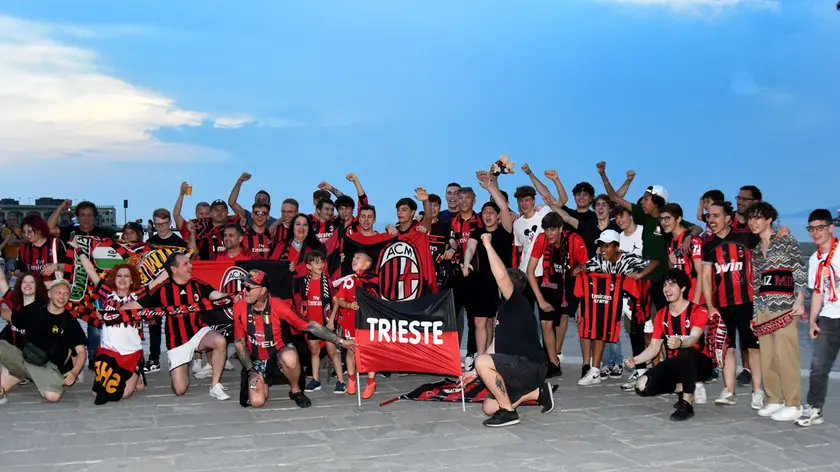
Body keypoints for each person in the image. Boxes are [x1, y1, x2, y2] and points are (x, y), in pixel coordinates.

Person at [461, 232, 555, 427]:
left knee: (482, 361)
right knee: (488, 407)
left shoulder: (517, 302)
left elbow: (502, 275)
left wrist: (487, 244)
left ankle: (509, 413)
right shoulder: (505, 310)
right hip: (517, 369)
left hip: (529, 366)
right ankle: (538, 393)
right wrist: (475, 372)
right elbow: (495, 345)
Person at [233, 269, 355, 409]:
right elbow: (239, 343)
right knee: (257, 402)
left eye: (248, 288)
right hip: (257, 359)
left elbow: (310, 326)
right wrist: (251, 371)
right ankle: (262, 379)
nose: (244, 291)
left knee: (290, 357)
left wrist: (340, 341)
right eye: (243, 286)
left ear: (262, 291)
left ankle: (295, 390)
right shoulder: (239, 307)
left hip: (279, 353)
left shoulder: (279, 306)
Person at [120, 253, 231, 400]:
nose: (191, 266)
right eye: (186, 264)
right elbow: (135, 306)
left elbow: (217, 296)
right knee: (180, 389)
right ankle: (187, 365)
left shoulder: (198, 284)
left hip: (198, 332)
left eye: (190, 263)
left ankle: (215, 385)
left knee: (219, 340)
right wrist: (114, 311)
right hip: (177, 341)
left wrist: (234, 297)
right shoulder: (161, 289)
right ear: (174, 269)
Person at [626, 269, 715, 421]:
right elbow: (654, 348)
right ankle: (682, 387)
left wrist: (680, 342)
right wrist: (636, 360)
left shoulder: (698, 310)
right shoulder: (661, 314)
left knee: (685, 352)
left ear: (683, 288)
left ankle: (687, 403)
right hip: (677, 364)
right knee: (642, 386)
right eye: (665, 285)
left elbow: (693, 339)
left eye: (672, 285)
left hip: (701, 365)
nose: (667, 289)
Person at [747, 202, 807, 421]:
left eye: (757, 218)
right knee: (768, 357)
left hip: (785, 306)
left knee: (786, 355)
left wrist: (800, 298)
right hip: (763, 306)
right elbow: (756, 283)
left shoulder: (785, 240)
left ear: (769, 219)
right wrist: (755, 313)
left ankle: (794, 403)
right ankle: (774, 399)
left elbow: (799, 268)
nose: (753, 222)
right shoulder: (756, 251)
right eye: (750, 218)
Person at [701, 201, 763, 407]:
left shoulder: (746, 238)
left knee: (753, 347)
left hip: (747, 303)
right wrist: (710, 307)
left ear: (728, 218)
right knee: (727, 348)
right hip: (722, 305)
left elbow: (768, 241)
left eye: (716, 215)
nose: (712, 220)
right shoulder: (708, 245)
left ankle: (758, 391)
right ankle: (729, 391)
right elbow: (706, 279)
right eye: (709, 216)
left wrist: (783, 231)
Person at [573, 229, 649, 386]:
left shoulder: (629, 258)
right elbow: (584, 267)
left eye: (606, 246)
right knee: (599, 329)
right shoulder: (600, 260)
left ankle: (643, 370)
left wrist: (640, 275)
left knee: (640, 334)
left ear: (616, 246)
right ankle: (595, 372)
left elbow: (653, 262)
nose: (602, 250)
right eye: (601, 246)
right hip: (609, 301)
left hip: (630, 301)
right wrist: (580, 269)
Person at [0, 280, 87, 404]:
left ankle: (19, 375)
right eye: (58, 292)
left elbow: (81, 352)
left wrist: (75, 372)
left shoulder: (71, 322)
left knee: (53, 397)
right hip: (24, 357)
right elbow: (10, 316)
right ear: (49, 294)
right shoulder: (35, 309)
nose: (62, 297)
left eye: (66, 293)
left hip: (47, 366)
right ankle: (19, 374)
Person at [526, 212, 587, 377]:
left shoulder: (575, 240)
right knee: (546, 323)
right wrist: (540, 299)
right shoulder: (541, 238)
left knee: (577, 321)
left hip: (571, 283)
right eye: (546, 230)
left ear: (561, 229)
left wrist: (579, 269)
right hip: (548, 283)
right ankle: (553, 362)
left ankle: (587, 364)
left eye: (553, 230)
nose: (549, 234)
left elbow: (586, 268)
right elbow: (529, 271)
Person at [462, 171, 515, 358]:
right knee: (478, 321)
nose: (488, 215)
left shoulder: (506, 230)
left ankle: (493, 357)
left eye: (492, 212)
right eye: (485, 213)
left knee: (494, 322)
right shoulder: (477, 232)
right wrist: (466, 263)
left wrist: (490, 186)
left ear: (498, 216)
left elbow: (504, 206)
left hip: (502, 282)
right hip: (482, 282)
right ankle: (481, 358)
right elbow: (469, 248)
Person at [797, 209, 839, 427]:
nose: (815, 232)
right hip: (829, 318)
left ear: (831, 228)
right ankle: (814, 409)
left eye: (820, 227)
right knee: (818, 366)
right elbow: (818, 292)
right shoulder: (814, 259)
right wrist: (812, 321)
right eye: (811, 228)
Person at [294, 251, 346, 394]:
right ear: (308, 266)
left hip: (326, 322)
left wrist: (332, 321)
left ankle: (341, 381)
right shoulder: (304, 282)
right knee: (315, 351)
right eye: (316, 262)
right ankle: (316, 380)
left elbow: (336, 302)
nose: (320, 265)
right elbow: (302, 303)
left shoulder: (327, 282)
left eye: (322, 262)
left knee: (332, 351)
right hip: (312, 324)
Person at [330, 251, 380, 398]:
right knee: (351, 350)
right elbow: (338, 300)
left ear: (367, 264)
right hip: (350, 321)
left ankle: (371, 382)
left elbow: (376, 299)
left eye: (359, 257)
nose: (354, 259)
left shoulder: (373, 280)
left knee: (369, 352)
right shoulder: (348, 280)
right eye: (353, 257)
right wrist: (349, 304)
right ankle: (351, 379)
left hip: (367, 322)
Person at [18, 215, 69, 283]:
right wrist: (17, 273)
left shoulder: (55, 243)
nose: (27, 235)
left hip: (54, 288)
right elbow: (22, 271)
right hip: (35, 288)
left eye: (29, 232)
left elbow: (69, 266)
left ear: (39, 230)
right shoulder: (23, 249)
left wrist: (55, 267)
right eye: (24, 232)